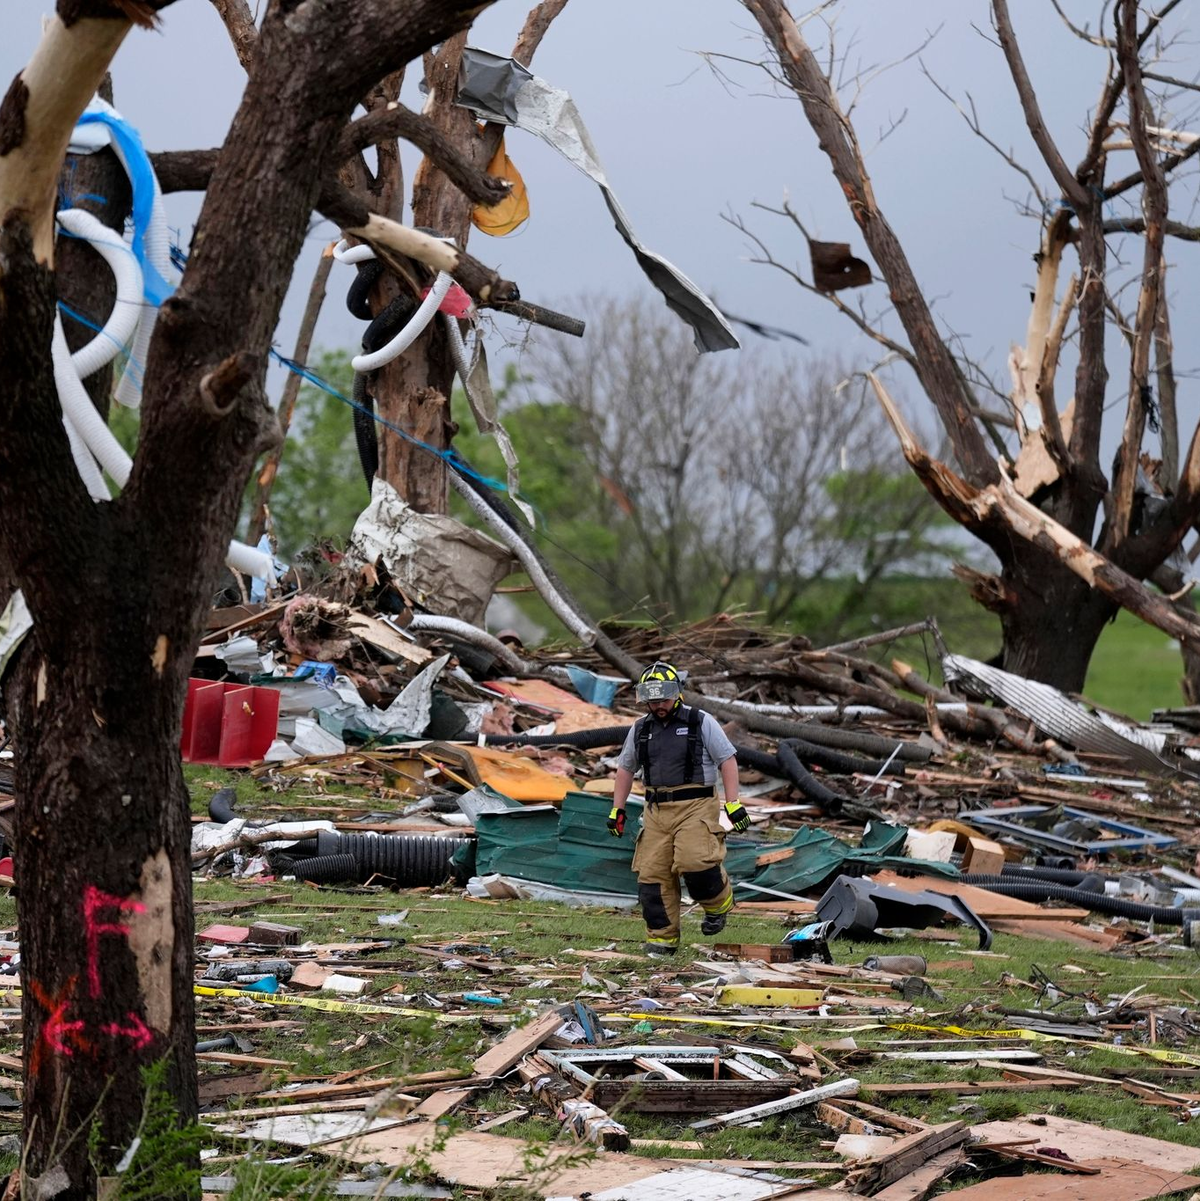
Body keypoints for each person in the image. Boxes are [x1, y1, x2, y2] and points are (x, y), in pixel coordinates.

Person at [607, 661, 751, 955]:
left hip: (696, 805)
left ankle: (718, 904)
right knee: (651, 876)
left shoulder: (700, 721)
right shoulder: (640, 729)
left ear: (677, 694)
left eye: (663, 699)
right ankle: (662, 941)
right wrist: (617, 810)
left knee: (695, 861)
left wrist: (733, 803)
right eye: (652, 700)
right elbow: (624, 769)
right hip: (656, 811)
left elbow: (727, 760)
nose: (658, 706)